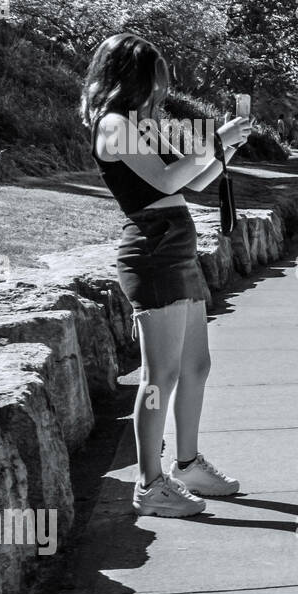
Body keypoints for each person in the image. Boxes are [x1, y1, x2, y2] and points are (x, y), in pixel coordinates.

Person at [81, 33, 249, 517]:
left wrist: (226, 148)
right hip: (151, 248)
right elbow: (167, 181)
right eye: (158, 73)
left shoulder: (142, 124)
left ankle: (188, 464)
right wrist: (213, 140)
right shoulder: (114, 125)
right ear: (134, 75)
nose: (165, 83)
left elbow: (195, 181)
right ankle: (149, 485)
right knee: (162, 374)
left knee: (196, 366)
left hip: (175, 244)